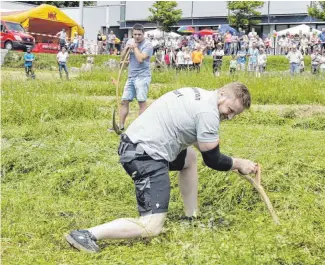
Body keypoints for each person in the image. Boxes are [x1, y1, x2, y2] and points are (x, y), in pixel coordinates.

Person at [65, 82, 259, 253]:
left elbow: (201, 145)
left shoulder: (200, 95)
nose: (230, 116)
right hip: (143, 154)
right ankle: (86, 235)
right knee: (152, 226)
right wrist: (239, 163)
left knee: (189, 158)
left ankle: (190, 218)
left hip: (135, 143)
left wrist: (233, 163)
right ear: (223, 94)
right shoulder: (208, 113)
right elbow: (212, 160)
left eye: (235, 114)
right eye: (230, 109)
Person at [117, 24, 153, 133]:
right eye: (135, 34)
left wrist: (135, 48)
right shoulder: (130, 41)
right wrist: (127, 48)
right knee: (124, 101)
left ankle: (140, 128)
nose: (137, 37)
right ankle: (121, 126)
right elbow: (122, 56)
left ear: (143, 34)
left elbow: (141, 59)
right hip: (131, 76)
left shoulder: (148, 45)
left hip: (142, 77)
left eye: (139, 34)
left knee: (141, 102)